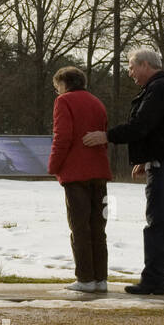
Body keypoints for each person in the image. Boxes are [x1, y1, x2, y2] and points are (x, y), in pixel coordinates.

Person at [82, 48, 164, 296]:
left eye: (132, 67)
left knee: (159, 222)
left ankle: (153, 280)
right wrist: (147, 156)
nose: (130, 72)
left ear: (146, 65)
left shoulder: (158, 90)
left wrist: (106, 135)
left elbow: (141, 125)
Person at [47, 66, 113, 293]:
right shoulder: (97, 102)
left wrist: (53, 166)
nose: (58, 92)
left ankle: (85, 278)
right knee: (98, 227)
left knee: (79, 227)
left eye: (58, 87)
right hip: (99, 172)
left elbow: (62, 136)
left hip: (75, 174)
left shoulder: (64, 102)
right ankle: (100, 278)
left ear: (64, 84)